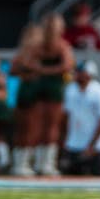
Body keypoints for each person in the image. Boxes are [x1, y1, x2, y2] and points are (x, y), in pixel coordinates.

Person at [31, 14, 75, 175]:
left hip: (41, 84)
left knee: (39, 124)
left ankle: (38, 162)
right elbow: (68, 65)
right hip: (54, 86)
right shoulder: (62, 45)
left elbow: (29, 63)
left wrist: (42, 70)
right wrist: (51, 71)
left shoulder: (38, 46)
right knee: (52, 125)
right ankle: (47, 163)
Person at [63, 60, 100, 175]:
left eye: (80, 72)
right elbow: (66, 117)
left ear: (89, 74)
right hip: (74, 145)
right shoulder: (70, 90)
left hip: (97, 148)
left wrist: (92, 146)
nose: (77, 75)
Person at [9, 23, 43, 176]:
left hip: (26, 89)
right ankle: (22, 163)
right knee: (29, 127)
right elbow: (13, 70)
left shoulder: (23, 54)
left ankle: (22, 162)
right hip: (29, 90)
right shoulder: (31, 54)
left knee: (25, 127)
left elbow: (13, 70)